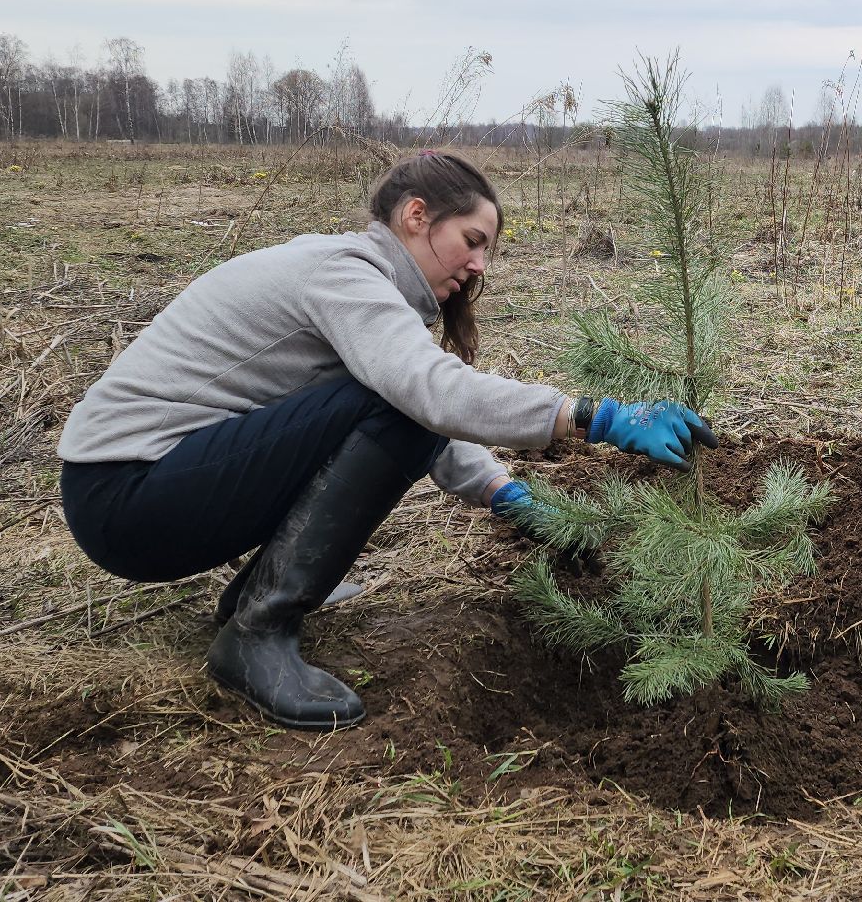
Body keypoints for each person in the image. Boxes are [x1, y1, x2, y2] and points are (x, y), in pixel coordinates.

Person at [57, 151, 716, 731]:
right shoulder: (341, 273)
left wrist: (504, 493)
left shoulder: (353, 280)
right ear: (416, 215)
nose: (480, 265)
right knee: (400, 404)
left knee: (393, 402)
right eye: (473, 239)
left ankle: (249, 599)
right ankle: (258, 631)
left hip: (158, 487)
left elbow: (410, 396)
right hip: (127, 494)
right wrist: (595, 416)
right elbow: (426, 393)